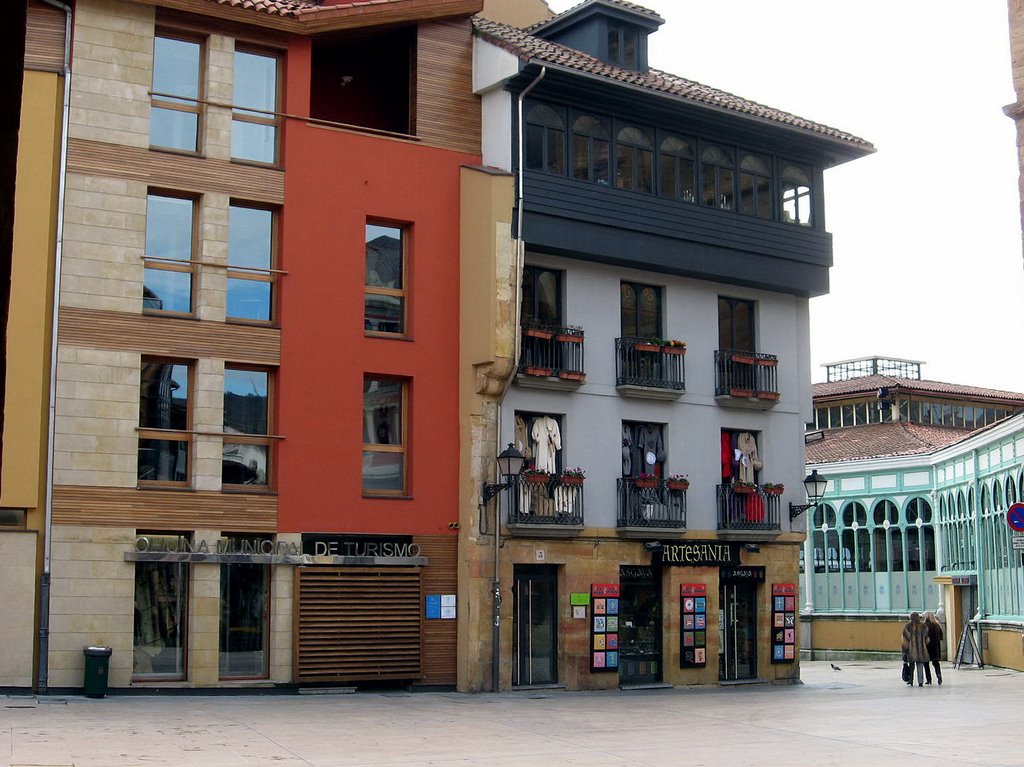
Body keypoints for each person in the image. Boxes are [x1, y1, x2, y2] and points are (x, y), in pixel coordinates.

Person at [901, 612, 931, 687]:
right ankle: (920, 682)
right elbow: (927, 640)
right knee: (920, 665)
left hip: (911, 651)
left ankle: (911, 680)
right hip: (921, 650)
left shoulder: (907, 627)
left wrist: (905, 651)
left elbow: (904, 641)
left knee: (911, 666)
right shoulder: (924, 627)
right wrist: (922, 644)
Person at [923, 612, 944, 685]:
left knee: (926, 664)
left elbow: (923, 637)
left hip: (927, 647)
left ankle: (928, 679)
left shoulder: (924, 626)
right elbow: (941, 637)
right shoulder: (937, 625)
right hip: (935, 647)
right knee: (936, 663)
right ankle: (939, 677)